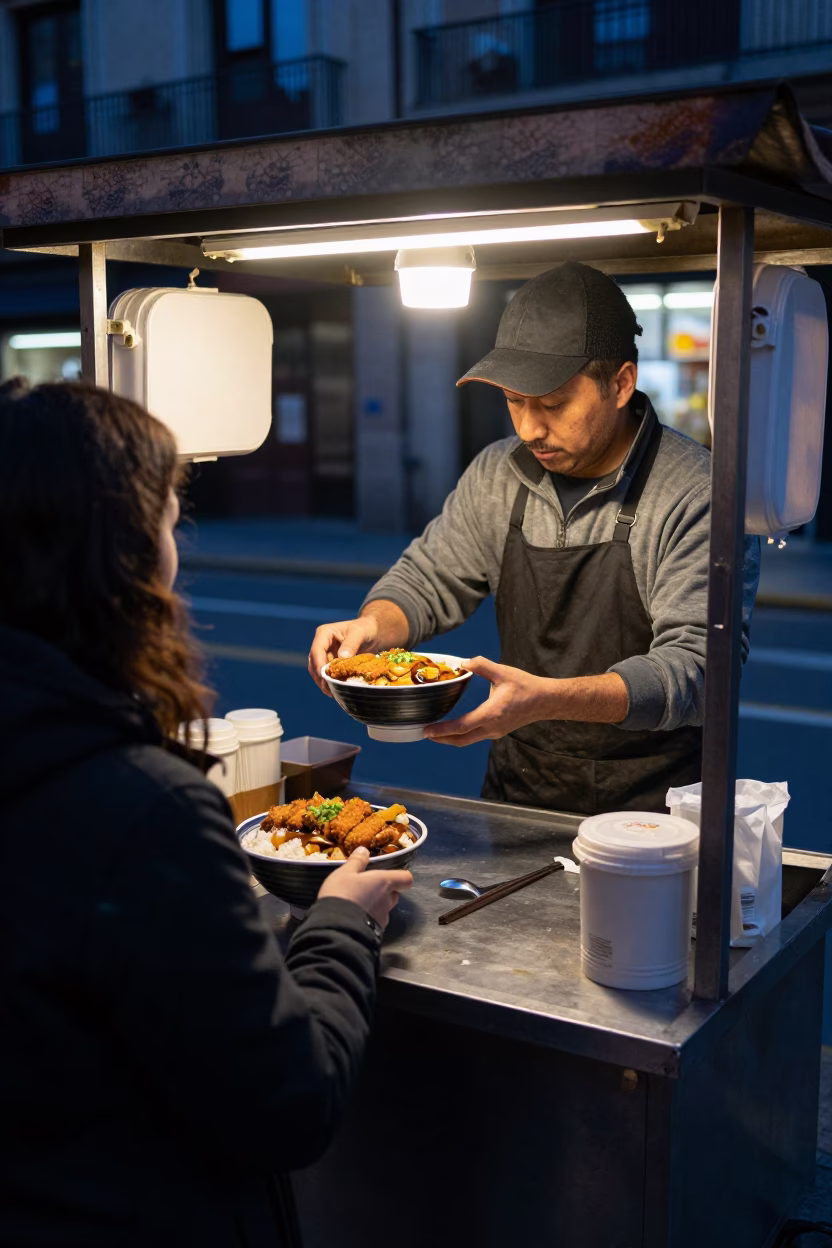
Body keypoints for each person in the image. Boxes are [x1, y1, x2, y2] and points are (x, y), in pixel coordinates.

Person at [0, 379, 411, 1248]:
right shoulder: (142, 811)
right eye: (164, 519)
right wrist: (340, 923)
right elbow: (291, 1104)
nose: (174, 545)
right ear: (121, 555)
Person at [310, 262, 760, 815]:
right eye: (513, 401)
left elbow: (700, 669)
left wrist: (548, 700)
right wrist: (372, 626)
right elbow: (428, 578)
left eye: (551, 404)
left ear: (621, 383)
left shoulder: (696, 490)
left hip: (655, 814)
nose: (528, 429)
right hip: (518, 800)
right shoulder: (498, 473)